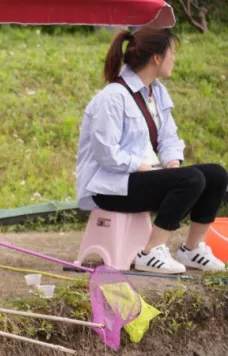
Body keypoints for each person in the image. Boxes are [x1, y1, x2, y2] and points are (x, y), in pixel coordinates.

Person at [76, 27, 228, 274]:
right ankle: (151, 251)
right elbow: (106, 154)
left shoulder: (156, 92)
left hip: (141, 178)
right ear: (157, 58)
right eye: (172, 53)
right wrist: (142, 167)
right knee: (192, 179)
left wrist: (171, 163)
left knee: (216, 174)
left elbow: (169, 136)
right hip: (111, 186)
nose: (174, 59)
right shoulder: (112, 97)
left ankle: (192, 249)